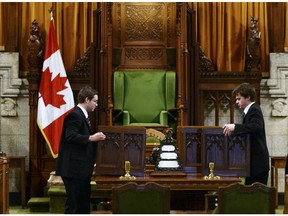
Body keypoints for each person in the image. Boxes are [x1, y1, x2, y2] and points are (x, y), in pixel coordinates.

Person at [56, 86, 106, 214]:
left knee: (82, 204)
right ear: (87, 100)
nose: (96, 104)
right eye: (95, 101)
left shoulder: (81, 115)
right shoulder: (75, 115)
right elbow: (70, 136)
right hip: (73, 169)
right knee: (75, 205)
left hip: (79, 169)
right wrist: (91, 137)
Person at [223, 82, 269, 185]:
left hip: (258, 164)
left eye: (239, 99)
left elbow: (256, 127)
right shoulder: (250, 111)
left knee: (256, 197)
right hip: (254, 164)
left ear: (248, 97)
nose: (237, 102)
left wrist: (235, 127)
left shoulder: (254, 109)